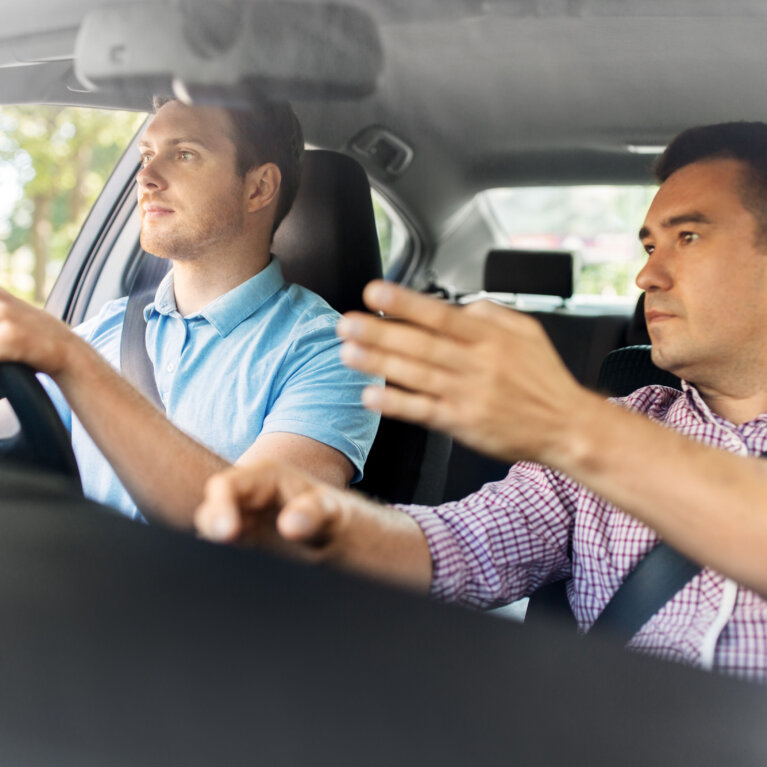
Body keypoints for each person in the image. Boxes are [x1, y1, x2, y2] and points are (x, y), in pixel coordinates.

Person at [194, 121, 767, 682]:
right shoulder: (630, 420)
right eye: (648, 245)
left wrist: (567, 422)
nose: (647, 274)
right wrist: (330, 529)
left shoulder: (593, 436)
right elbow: (462, 545)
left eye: (687, 236)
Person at [0, 95, 379, 527]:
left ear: (258, 188)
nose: (145, 177)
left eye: (184, 154)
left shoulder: (332, 353)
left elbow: (259, 527)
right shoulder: (106, 328)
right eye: (146, 154)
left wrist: (72, 359)